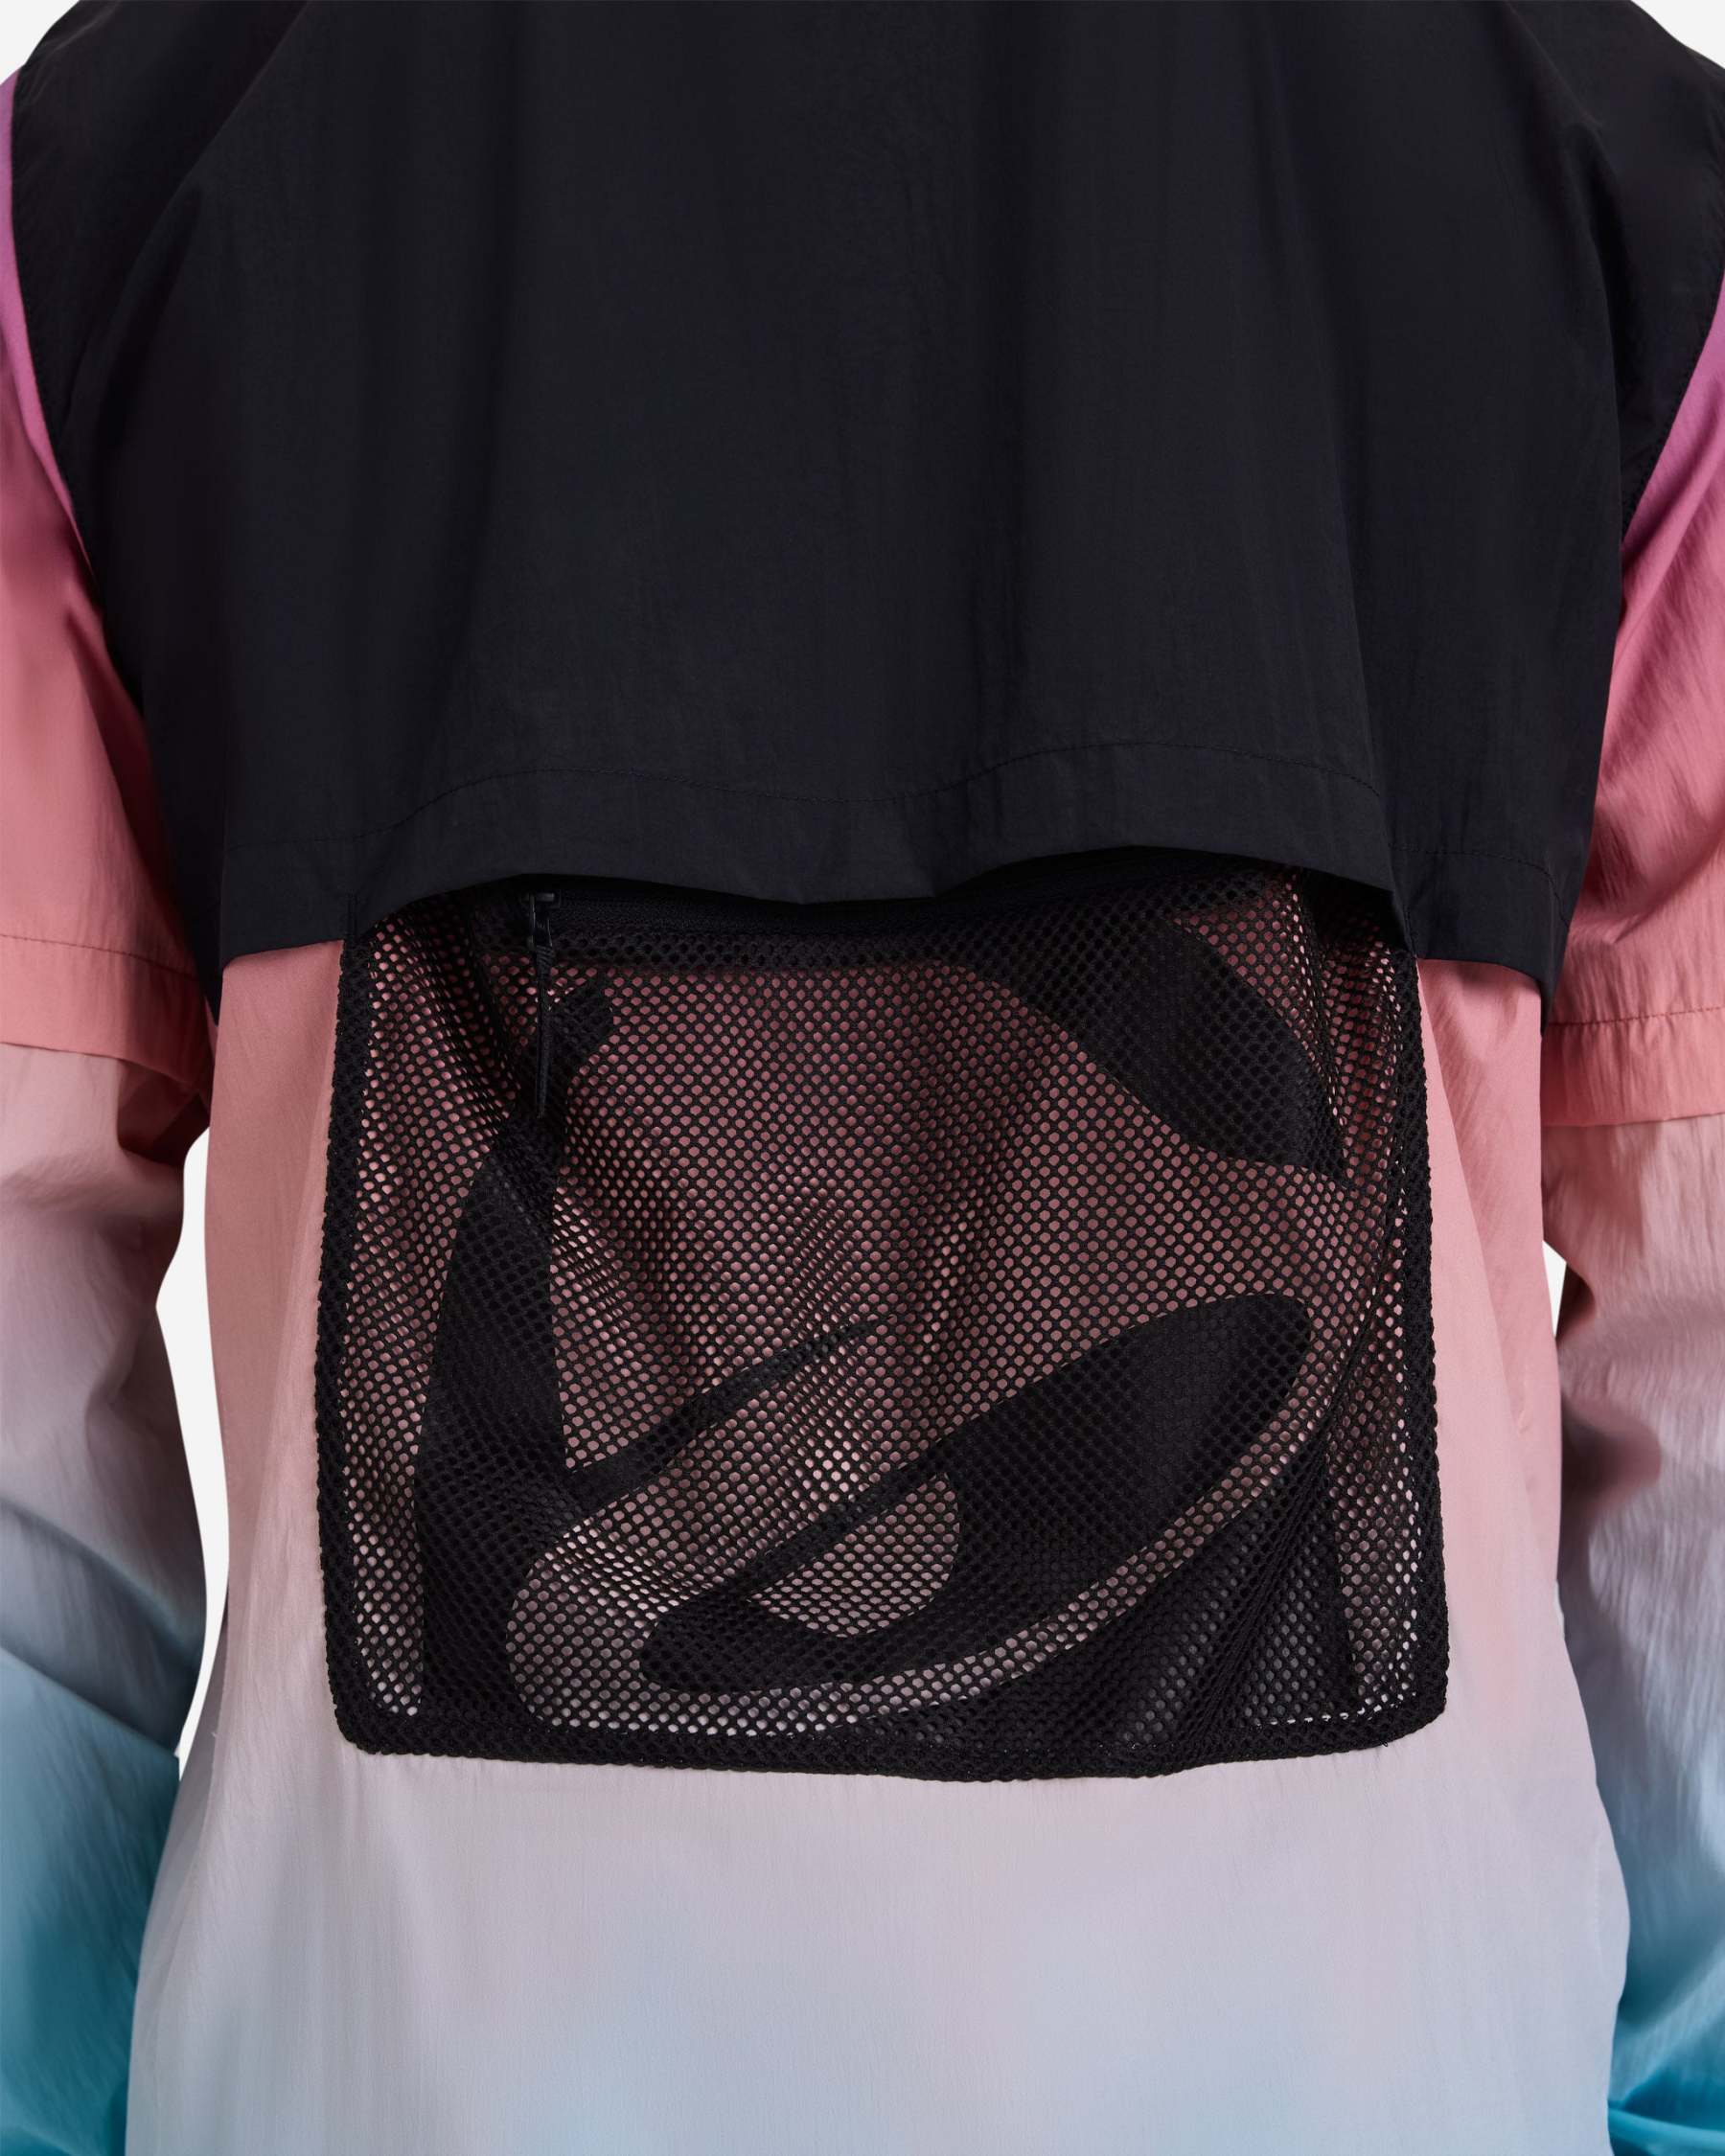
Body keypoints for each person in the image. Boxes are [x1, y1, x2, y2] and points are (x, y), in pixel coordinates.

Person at [1, 6, 1720, 2151]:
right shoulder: (1590, 167)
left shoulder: (135, 156)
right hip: (1362, 2070)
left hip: (406, 2068)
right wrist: (1659, 2097)